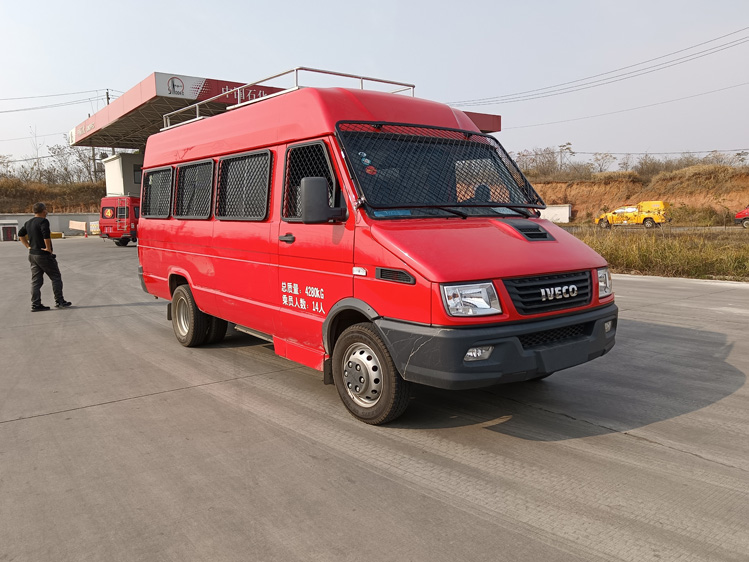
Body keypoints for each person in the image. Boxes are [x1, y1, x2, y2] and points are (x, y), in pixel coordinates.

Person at [18, 202, 72, 311]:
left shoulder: (28, 222)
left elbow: (20, 234)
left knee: (36, 281)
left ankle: (36, 304)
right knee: (56, 277)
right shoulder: (43, 221)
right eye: (46, 210)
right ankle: (59, 301)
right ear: (44, 211)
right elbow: (46, 235)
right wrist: (48, 249)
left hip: (32, 255)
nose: (46, 212)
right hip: (43, 255)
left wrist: (28, 246)